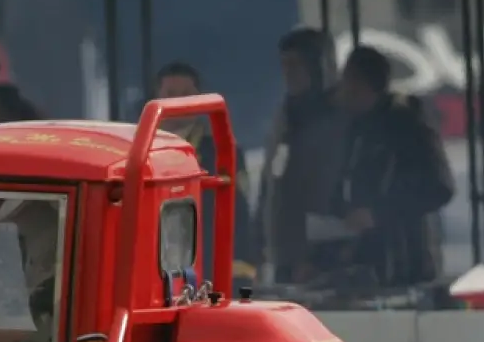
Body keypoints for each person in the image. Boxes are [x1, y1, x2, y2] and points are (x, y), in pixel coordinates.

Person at [333, 45, 457, 289]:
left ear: (362, 83)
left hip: (408, 264)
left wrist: (377, 213)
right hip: (368, 267)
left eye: (347, 81)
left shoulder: (407, 121)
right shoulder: (355, 129)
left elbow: (439, 187)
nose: (343, 90)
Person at [154, 61, 260, 279]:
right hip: (154, 269)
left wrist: (239, 269)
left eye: (186, 94)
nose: (178, 101)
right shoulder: (139, 152)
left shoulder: (223, 153)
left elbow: (238, 213)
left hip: (208, 272)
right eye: (170, 93)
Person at [260, 28, 348, 283]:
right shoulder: (285, 116)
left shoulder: (341, 119)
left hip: (327, 263)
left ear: (318, 65)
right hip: (284, 258)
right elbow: (270, 183)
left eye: (296, 64)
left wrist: (317, 259)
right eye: (284, 65)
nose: (289, 73)